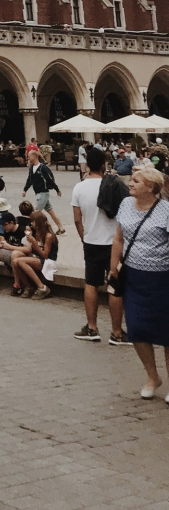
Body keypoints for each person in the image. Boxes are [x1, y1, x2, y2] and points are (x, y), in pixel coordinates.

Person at [109, 162, 169, 400]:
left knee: (166, 331)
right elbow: (118, 239)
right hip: (134, 277)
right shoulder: (125, 204)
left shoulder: (166, 210)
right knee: (136, 328)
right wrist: (114, 267)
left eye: (136, 181)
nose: (130, 184)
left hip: (162, 278)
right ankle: (152, 376)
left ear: (151, 187)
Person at [71, 145, 128, 345]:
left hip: (92, 240)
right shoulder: (113, 184)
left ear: (87, 165)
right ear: (104, 164)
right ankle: (116, 332)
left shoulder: (79, 187)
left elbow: (77, 219)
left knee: (92, 283)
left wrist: (83, 236)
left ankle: (92, 327)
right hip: (114, 242)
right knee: (115, 285)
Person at [11, 211, 59, 299]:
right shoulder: (37, 233)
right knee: (15, 261)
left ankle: (42, 287)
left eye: (33, 222)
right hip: (37, 258)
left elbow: (45, 255)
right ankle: (28, 286)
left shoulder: (49, 236)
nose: (32, 224)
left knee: (20, 262)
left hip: (48, 261)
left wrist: (35, 244)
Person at [24, 147, 64, 234]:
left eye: (29, 157)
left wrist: (57, 189)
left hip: (43, 193)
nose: (28, 159)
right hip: (39, 193)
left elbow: (49, 180)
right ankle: (61, 228)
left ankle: (36, 231)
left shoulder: (43, 168)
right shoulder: (32, 168)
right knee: (51, 212)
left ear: (34, 157)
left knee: (35, 213)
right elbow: (29, 180)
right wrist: (25, 190)